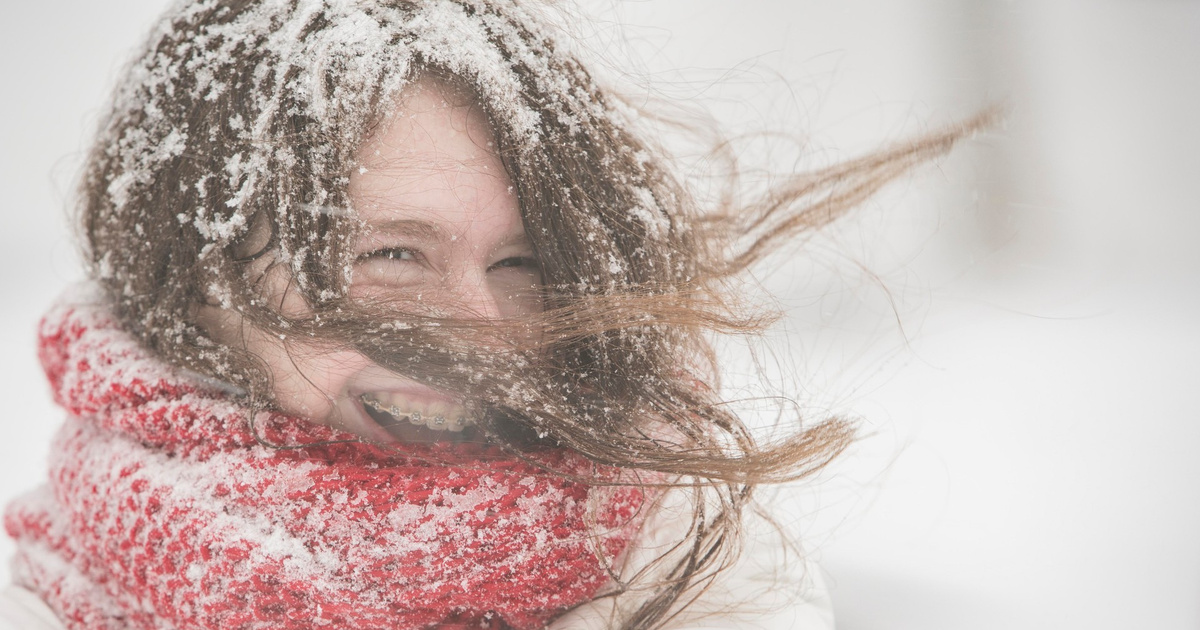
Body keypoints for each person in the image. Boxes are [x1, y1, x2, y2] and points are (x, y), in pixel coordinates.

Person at [1, 1, 987, 628]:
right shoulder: (49, 599)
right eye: (391, 256)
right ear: (191, 284)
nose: (486, 328)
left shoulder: (677, 560)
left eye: (519, 263)